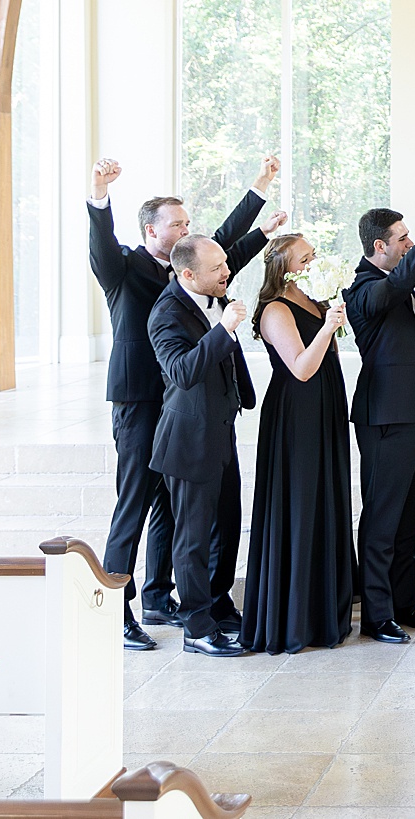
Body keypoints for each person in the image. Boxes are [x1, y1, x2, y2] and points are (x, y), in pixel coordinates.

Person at [87, 155, 283, 650]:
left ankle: (157, 596)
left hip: (186, 403)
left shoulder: (192, 269)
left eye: (187, 224)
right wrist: (99, 193)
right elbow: (101, 247)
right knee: (136, 503)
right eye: (177, 224)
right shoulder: (125, 267)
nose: (186, 230)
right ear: (152, 231)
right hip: (141, 399)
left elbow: (226, 242)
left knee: (174, 511)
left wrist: (259, 189)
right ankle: (116, 610)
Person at [241, 234, 355, 654]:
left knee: (326, 501)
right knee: (301, 504)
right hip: (297, 415)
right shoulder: (275, 309)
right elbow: (302, 368)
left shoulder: (314, 299)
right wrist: (328, 327)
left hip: (325, 408)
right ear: (286, 269)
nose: (315, 261)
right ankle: (293, 618)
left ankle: (325, 611)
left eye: (314, 255)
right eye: (306, 258)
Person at [147, 235, 257, 657]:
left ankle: (218, 603)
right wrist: (225, 328)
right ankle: (196, 627)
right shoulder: (166, 312)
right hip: (188, 442)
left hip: (220, 430)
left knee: (227, 525)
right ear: (188, 274)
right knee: (192, 539)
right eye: (217, 268)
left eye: (225, 263)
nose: (226, 272)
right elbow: (181, 371)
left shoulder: (215, 294)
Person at [344, 207, 415, 645]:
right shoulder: (362, 288)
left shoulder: (399, 284)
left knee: (408, 519)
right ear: (379, 246)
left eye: (411, 238)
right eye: (402, 238)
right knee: (383, 518)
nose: (408, 244)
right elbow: (398, 285)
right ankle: (377, 613)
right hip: (384, 417)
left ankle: (405, 602)